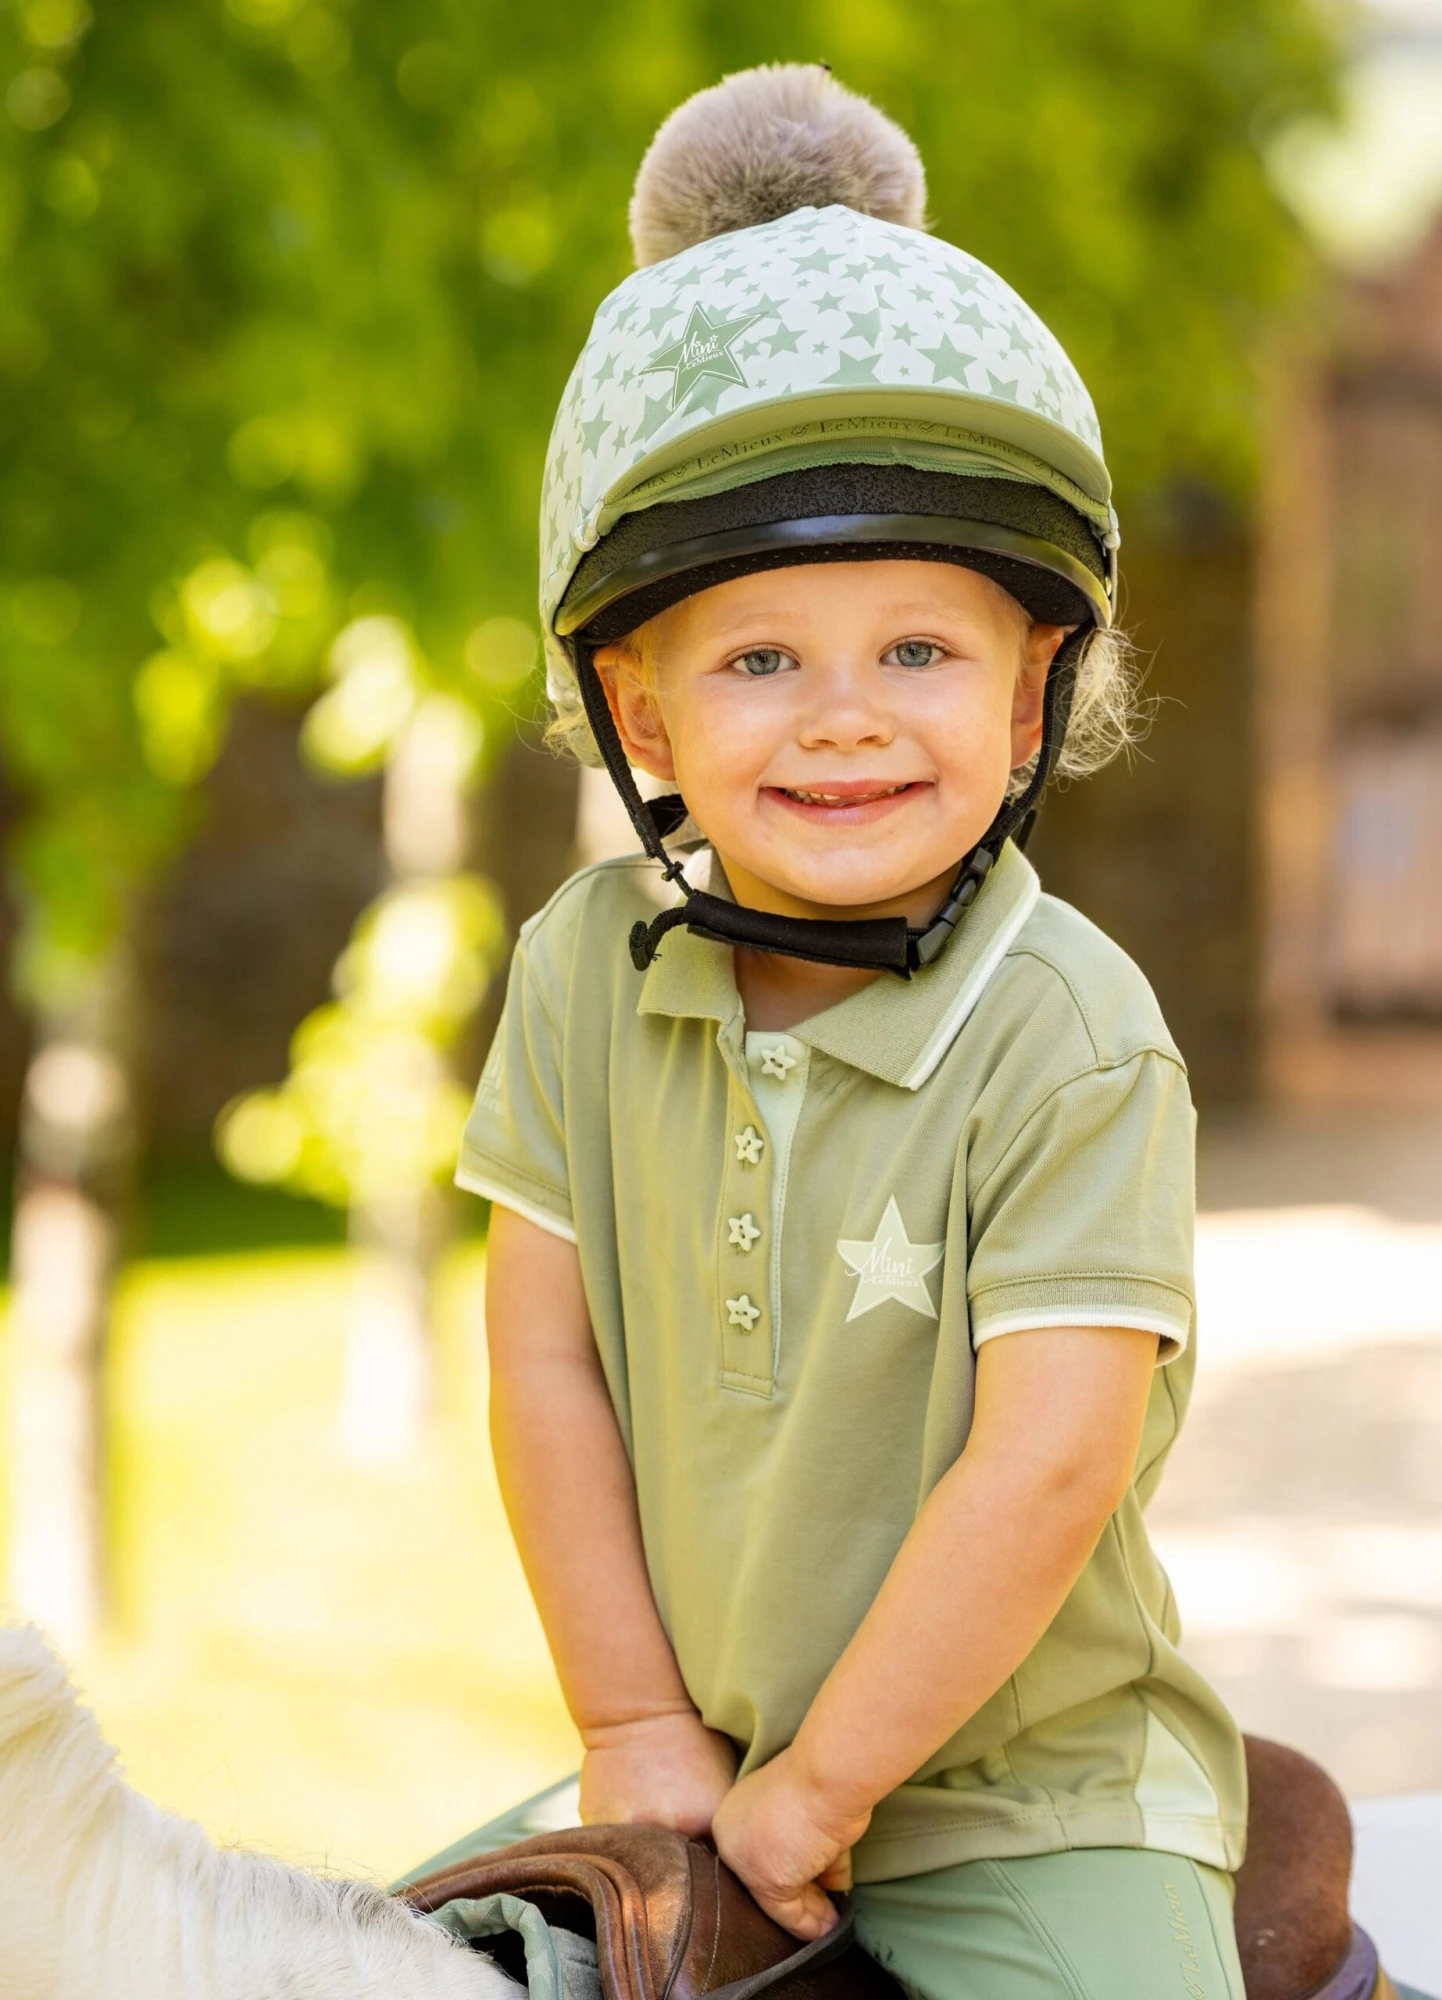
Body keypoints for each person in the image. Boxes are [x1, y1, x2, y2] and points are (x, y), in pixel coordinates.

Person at [455, 62, 1247, 2000]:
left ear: (1035, 680)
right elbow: (543, 1361)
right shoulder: (578, 967)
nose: (845, 716)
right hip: (696, 1759)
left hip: (1024, 1796)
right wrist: (638, 1725)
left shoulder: (1072, 1032)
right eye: (758, 659)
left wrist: (826, 1788)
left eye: (919, 648)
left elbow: (1044, 1464)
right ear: (638, 713)